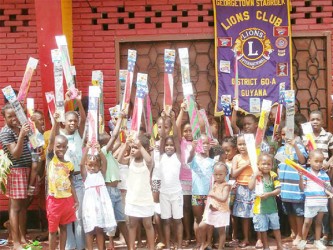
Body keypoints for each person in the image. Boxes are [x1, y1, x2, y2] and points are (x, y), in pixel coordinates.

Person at [0, 103, 32, 250]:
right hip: (16, 170)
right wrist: (21, 135)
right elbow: (16, 154)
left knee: (23, 205)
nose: (14, 118)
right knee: (15, 207)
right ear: (4, 118)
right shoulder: (5, 132)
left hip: (26, 169)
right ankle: (16, 243)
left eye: (15, 115)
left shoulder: (21, 127)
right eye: (9, 116)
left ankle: (22, 238)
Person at [46, 112, 78, 250]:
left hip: (67, 200)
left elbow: (70, 182)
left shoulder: (69, 164)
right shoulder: (51, 159)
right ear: (53, 147)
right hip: (54, 201)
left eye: (63, 146)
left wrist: (76, 199)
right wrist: (55, 123)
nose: (60, 149)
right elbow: (52, 139)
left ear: (67, 147)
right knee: (53, 231)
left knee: (64, 228)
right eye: (58, 146)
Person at [59, 90, 86, 250]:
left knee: (79, 216)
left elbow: (83, 118)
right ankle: (70, 246)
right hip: (64, 181)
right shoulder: (59, 134)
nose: (72, 123)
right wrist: (65, 99)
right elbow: (57, 116)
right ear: (64, 121)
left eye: (74, 121)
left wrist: (78, 101)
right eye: (69, 121)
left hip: (78, 179)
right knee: (67, 216)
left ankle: (81, 246)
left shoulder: (79, 133)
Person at [99, 111, 129, 249]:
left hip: (115, 190)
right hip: (109, 190)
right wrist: (121, 119)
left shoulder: (109, 153)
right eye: (107, 139)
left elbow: (117, 140)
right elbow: (115, 137)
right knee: (111, 220)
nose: (110, 138)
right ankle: (110, 244)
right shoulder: (103, 152)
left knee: (121, 219)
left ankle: (128, 245)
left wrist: (120, 124)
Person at [80, 143, 117, 250]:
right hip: (90, 205)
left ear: (99, 166)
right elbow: (81, 164)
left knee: (99, 229)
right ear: (86, 165)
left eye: (95, 165)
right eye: (90, 165)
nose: (92, 167)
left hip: (101, 204)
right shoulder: (86, 175)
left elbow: (105, 161)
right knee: (90, 229)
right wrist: (86, 149)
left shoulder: (101, 173)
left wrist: (99, 151)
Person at [277, 124, 307, 246]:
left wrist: (295, 146)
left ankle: (300, 234)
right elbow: (279, 164)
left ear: (295, 134)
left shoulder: (300, 146)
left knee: (298, 212)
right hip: (285, 186)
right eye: (283, 134)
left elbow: (302, 161)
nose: (286, 137)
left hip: (296, 187)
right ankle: (293, 233)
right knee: (289, 211)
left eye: (288, 134)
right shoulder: (281, 149)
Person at [125, 134, 155, 250]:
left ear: (144, 149)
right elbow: (119, 158)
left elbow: (149, 159)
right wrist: (126, 144)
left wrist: (140, 146)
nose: (133, 150)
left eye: (135, 147)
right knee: (132, 225)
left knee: (148, 224)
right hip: (132, 199)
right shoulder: (131, 160)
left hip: (145, 199)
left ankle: (151, 247)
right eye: (132, 147)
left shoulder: (147, 163)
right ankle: (131, 248)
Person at [248, 153, 285, 250]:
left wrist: (268, 194)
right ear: (258, 165)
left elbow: (278, 190)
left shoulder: (274, 175)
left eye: (269, 164)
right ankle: (266, 246)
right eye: (263, 164)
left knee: (276, 227)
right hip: (260, 209)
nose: (266, 166)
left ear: (272, 165)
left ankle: (279, 246)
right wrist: (255, 176)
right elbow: (250, 187)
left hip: (272, 208)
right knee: (263, 229)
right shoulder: (256, 176)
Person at [297, 149, 331, 250]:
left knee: (319, 222)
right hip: (310, 202)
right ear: (309, 161)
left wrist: (330, 194)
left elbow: (327, 188)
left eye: (321, 161)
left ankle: (317, 241)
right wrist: (301, 178)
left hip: (321, 202)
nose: (318, 164)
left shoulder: (324, 175)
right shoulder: (306, 174)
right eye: (316, 161)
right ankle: (303, 241)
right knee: (307, 222)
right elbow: (302, 188)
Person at [159, 111, 183, 249]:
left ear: (175, 147)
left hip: (176, 193)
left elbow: (174, 136)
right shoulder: (161, 156)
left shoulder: (178, 156)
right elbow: (163, 136)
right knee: (166, 221)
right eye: (166, 145)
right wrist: (163, 119)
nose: (169, 147)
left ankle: (179, 246)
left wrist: (173, 120)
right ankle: (168, 245)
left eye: (171, 145)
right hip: (164, 193)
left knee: (177, 220)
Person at [187, 134, 215, 248]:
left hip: (210, 195)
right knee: (198, 218)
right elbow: (189, 159)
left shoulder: (212, 161)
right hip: (197, 194)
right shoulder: (194, 159)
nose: (205, 145)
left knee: (209, 218)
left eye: (207, 143)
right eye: (202, 143)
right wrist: (193, 149)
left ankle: (208, 242)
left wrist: (217, 148)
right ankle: (199, 242)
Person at [198, 162, 231, 250]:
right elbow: (211, 197)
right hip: (212, 210)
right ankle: (204, 242)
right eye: (216, 174)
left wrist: (213, 194)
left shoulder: (226, 186)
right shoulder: (214, 184)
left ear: (226, 174)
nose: (218, 176)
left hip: (221, 211)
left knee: (221, 231)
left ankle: (220, 248)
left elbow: (223, 198)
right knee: (201, 226)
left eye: (220, 174)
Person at [231, 134, 254, 248]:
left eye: (245, 144)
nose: (242, 147)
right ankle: (245, 238)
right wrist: (245, 165)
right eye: (240, 144)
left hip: (254, 187)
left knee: (257, 214)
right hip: (241, 188)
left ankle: (259, 238)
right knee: (244, 215)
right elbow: (233, 174)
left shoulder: (255, 156)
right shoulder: (236, 158)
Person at [176, 100, 193, 246]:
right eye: (185, 130)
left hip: (198, 180)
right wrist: (182, 110)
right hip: (184, 179)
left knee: (197, 208)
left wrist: (193, 109)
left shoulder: (199, 141)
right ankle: (188, 235)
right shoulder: (180, 142)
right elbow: (175, 127)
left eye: (190, 130)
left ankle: (198, 235)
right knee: (186, 207)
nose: (188, 133)